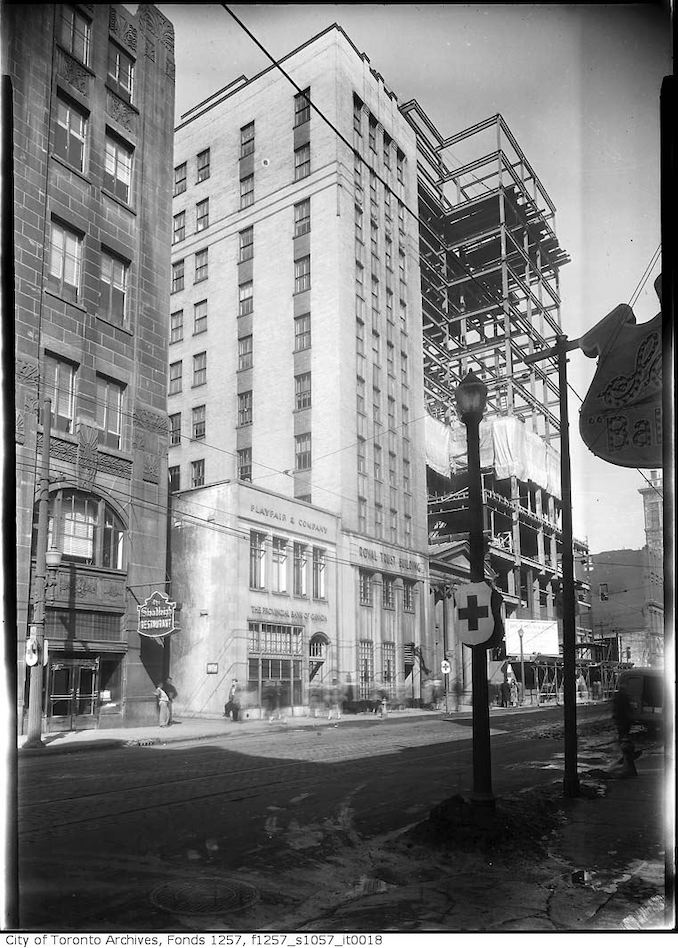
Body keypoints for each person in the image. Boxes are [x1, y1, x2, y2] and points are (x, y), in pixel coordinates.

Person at [612, 683, 641, 776]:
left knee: (622, 734)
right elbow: (628, 707)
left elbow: (615, 708)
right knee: (624, 733)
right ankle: (625, 751)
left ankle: (624, 750)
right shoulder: (624, 697)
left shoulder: (617, 697)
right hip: (625, 719)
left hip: (621, 719)